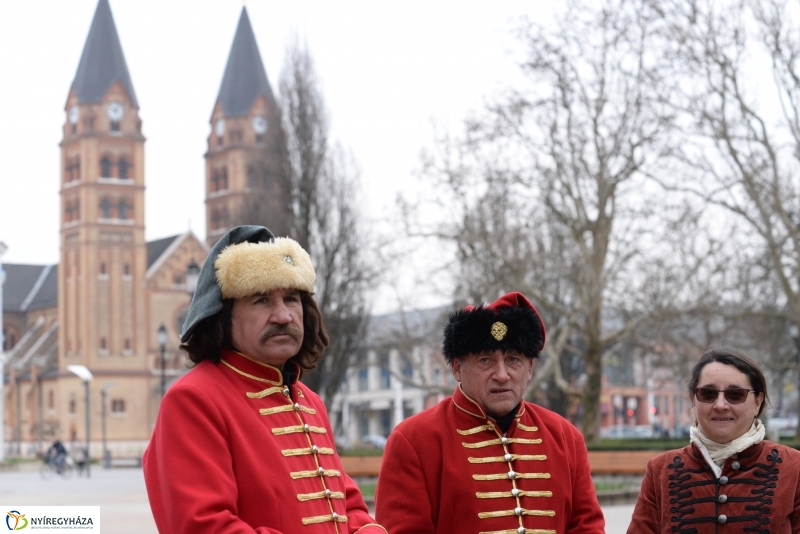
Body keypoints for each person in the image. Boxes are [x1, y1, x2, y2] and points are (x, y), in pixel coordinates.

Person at [143, 226, 386, 534]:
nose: (283, 316)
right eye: (261, 300)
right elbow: (203, 525)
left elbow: (347, 507)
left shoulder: (310, 401)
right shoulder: (192, 399)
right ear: (224, 316)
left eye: (291, 299)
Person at [374, 292, 605, 534]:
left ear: (529, 369)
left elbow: (587, 528)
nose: (502, 375)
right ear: (457, 368)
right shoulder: (413, 441)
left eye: (513, 359)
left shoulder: (566, 437)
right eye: (485, 360)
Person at [627, 347, 800, 533]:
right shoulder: (659, 471)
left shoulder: (794, 468)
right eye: (708, 394)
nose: (720, 405)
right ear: (693, 399)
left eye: (735, 394)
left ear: (758, 402)